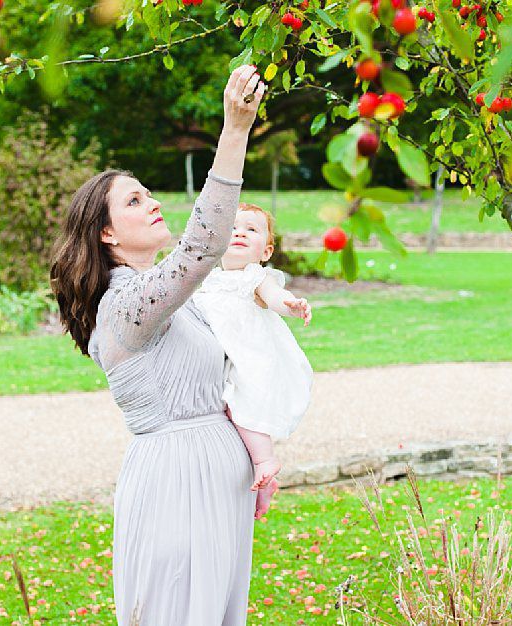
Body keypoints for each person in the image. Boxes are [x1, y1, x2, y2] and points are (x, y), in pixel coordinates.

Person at [50, 65, 268, 626]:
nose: (150, 203)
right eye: (133, 201)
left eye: (148, 194)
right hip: (178, 486)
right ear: (106, 234)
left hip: (220, 489)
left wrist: (256, 459)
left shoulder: (179, 302)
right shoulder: (125, 306)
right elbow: (203, 246)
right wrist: (235, 132)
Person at [193, 203, 314, 518]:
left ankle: (265, 460)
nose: (240, 234)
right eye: (233, 228)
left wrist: (293, 305)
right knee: (226, 424)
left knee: (243, 409)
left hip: (247, 359)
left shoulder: (255, 277)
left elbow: (276, 298)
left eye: (251, 229)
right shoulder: (206, 278)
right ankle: (263, 489)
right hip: (217, 361)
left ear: (266, 251)